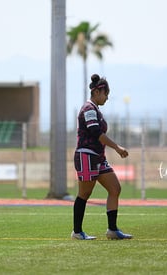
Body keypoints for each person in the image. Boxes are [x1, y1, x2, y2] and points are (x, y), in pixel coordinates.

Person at [71, 74, 133, 240]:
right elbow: (96, 133)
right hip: (87, 156)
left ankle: (112, 230)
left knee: (115, 189)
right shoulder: (88, 109)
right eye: (106, 93)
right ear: (97, 91)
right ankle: (77, 232)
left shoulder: (96, 110)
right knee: (84, 193)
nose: (107, 97)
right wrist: (117, 147)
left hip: (98, 157)